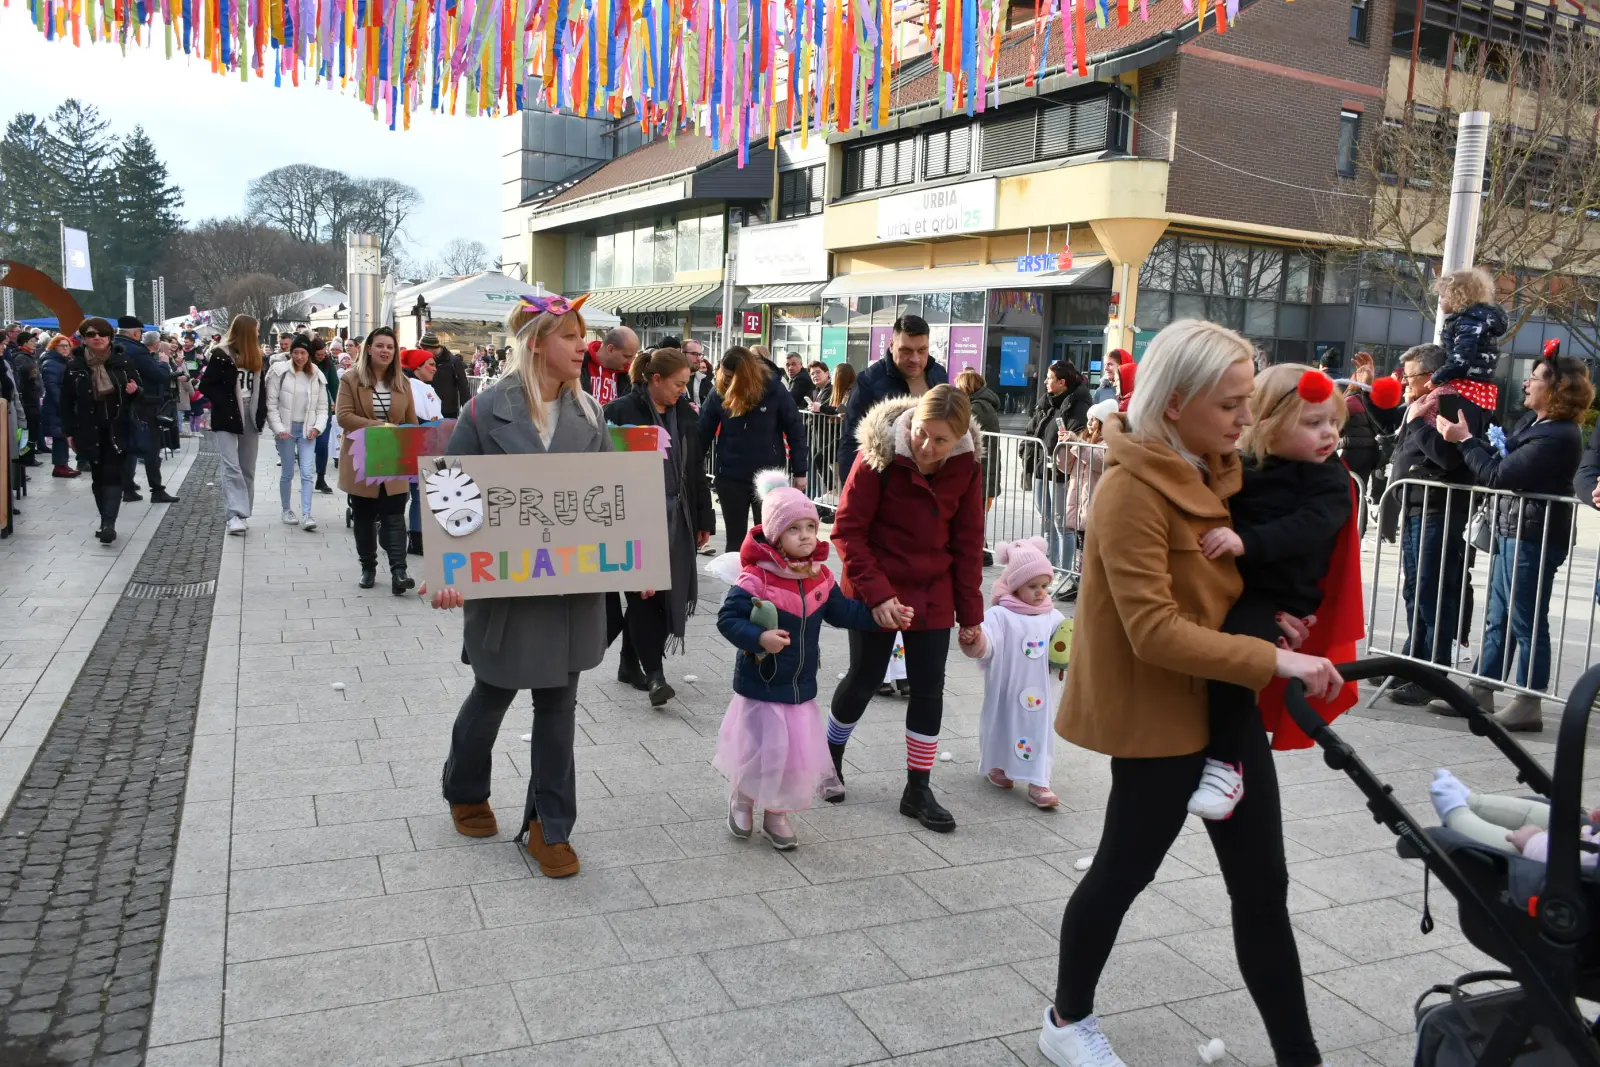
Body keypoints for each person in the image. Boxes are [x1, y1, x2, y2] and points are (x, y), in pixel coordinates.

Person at [1041, 319, 1343, 1067]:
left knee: (1263, 888)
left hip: (1226, 709)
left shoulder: (1223, 470)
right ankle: (1066, 1017)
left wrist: (1274, 617)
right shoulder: (1130, 489)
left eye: (1249, 402)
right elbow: (1155, 631)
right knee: (1123, 870)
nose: (1247, 420)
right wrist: (1274, 659)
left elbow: (1237, 578)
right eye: (1231, 404)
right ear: (1174, 404)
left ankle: (1299, 1056)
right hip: (1161, 713)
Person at [430, 293, 613, 879]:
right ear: (537, 342)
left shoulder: (590, 413)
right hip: (506, 589)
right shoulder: (486, 411)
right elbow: (450, 493)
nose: (582, 346)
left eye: (582, 335)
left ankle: (549, 826)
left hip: (571, 591)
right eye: (569, 336)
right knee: (493, 693)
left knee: (559, 707)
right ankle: (464, 789)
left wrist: (635, 569)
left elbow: (609, 500)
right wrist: (449, 569)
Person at [1187, 365, 1357, 821]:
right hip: (1239, 586)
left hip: (1275, 596)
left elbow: (1309, 527)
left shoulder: (1328, 478)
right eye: (1313, 423)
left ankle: (1226, 763)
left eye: (1333, 422)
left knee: (1235, 664)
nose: (1328, 434)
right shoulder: (1245, 466)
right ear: (1267, 425)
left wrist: (1247, 542)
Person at [827, 385, 986, 830]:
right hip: (875, 582)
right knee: (865, 677)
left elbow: (970, 543)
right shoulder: (877, 456)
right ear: (910, 422)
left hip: (933, 591)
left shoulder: (967, 466)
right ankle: (829, 759)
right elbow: (847, 532)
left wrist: (972, 617)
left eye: (941, 441)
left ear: (959, 440)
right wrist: (877, 596)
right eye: (921, 434)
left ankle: (917, 788)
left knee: (928, 688)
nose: (927, 447)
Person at [714, 473, 878, 848]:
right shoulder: (757, 577)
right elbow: (728, 619)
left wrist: (879, 615)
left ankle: (777, 812)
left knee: (789, 758)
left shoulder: (818, 575)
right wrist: (759, 638)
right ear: (774, 535)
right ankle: (743, 798)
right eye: (794, 529)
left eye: (810, 526)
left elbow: (842, 612)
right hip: (762, 685)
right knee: (759, 751)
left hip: (799, 690)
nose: (806, 535)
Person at [1438, 353, 1592, 732]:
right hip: (1515, 531)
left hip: (1535, 537)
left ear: (1558, 389)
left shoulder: (1558, 434)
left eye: (1536, 377)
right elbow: (1501, 458)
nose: (1526, 383)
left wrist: (1464, 443)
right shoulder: (1536, 422)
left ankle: (1529, 698)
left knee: (1525, 618)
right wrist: (1472, 439)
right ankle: (1481, 689)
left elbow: (1497, 474)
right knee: (1499, 615)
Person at [604, 348, 717, 704]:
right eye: (678, 384)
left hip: (677, 516)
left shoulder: (685, 413)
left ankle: (628, 663)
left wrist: (704, 518)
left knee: (664, 594)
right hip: (633, 517)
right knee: (643, 594)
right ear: (655, 379)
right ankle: (655, 674)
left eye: (686, 384)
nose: (683, 391)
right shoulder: (620, 411)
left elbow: (695, 471)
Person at [1385, 342, 1489, 705]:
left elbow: (1446, 457)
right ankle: (1413, 659)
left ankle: (1433, 670)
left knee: (1433, 589)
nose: (1404, 383)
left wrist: (1416, 422)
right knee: (1415, 588)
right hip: (1417, 506)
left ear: (1430, 375)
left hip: (1440, 508)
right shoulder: (1424, 402)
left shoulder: (1449, 401)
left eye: (1409, 376)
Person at [958, 536, 1065, 809]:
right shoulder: (1000, 615)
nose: (1040, 592)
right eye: (1032, 586)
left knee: (1039, 730)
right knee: (1004, 724)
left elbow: (1064, 647)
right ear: (1016, 585)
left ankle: (1039, 781)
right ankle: (999, 765)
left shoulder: (1053, 616)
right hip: (1008, 686)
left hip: (1041, 691)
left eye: (1044, 586)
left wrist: (1069, 657)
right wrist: (975, 640)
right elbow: (988, 646)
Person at [699, 347, 810, 552]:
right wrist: (694, 469)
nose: (726, 379)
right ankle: (737, 583)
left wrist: (800, 471)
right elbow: (702, 432)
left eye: (731, 376)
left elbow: (795, 429)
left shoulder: (774, 388)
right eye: (724, 375)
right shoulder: (720, 390)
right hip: (731, 475)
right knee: (735, 542)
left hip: (769, 477)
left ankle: (767, 583)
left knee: (770, 537)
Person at [337, 327, 418, 594]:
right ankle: (368, 567)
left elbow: (410, 423)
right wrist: (381, 427)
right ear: (369, 348)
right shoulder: (350, 379)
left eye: (390, 347)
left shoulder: (402, 382)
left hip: (393, 454)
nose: (385, 351)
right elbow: (344, 417)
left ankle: (399, 572)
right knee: (365, 515)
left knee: (395, 514)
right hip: (362, 455)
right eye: (380, 345)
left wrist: (413, 449)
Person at [59, 318, 142, 543]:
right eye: (91, 334)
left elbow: (139, 390)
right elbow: (65, 401)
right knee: (98, 476)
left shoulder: (123, 361)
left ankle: (108, 524)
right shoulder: (75, 366)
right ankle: (105, 519)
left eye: (102, 334)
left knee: (113, 475)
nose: (97, 337)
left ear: (109, 337)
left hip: (118, 426)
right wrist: (68, 431)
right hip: (88, 428)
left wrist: (135, 391)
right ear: (84, 338)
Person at [837, 315, 948, 479]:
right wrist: (852, 490)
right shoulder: (868, 381)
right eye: (906, 351)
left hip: (933, 479)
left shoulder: (938, 374)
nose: (915, 359)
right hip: (887, 481)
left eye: (922, 350)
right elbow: (851, 440)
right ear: (891, 345)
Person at [1428, 769, 1600, 867]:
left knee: (1510, 847)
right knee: (1550, 815)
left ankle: (1454, 812)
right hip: (1589, 841)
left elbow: (1580, 866)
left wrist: (1533, 842)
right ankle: (1472, 801)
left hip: (1572, 873)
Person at [199, 315, 270, 536]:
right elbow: (206, 385)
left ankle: (244, 512)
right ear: (247, 331)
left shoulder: (257, 356)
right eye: (256, 330)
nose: (258, 333)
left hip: (250, 413)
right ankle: (234, 514)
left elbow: (262, 389)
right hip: (227, 415)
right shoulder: (221, 356)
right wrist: (225, 402)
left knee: (247, 466)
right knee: (231, 466)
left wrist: (261, 414)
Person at [1026, 361, 1090, 572]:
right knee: (1045, 521)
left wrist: (1069, 439)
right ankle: (1048, 570)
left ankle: (1065, 573)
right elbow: (1033, 429)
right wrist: (1026, 455)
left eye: (1049, 378)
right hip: (1041, 467)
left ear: (1062, 382)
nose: (1045, 381)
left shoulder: (1079, 404)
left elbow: (1077, 436)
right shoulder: (1046, 401)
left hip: (1061, 472)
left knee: (1062, 524)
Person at [264, 334, 328, 532]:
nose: (299, 357)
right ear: (290, 353)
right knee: (288, 472)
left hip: (307, 429)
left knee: (307, 472)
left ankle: (307, 513)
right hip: (287, 429)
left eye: (303, 353)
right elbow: (271, 404)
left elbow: (322, 406)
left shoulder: (316, 374)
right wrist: (279, 428)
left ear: (309, 355)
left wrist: (318, 427)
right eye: (296, 353)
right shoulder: (279, 372)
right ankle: (286, 509)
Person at [112, 317, 177, 504]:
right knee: (151, 448)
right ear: (135, 333)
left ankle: (128, 488)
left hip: (119, 405)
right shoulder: (138, 351)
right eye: (139, 332)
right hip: (144, 404)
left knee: (127, 448)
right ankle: (157, 490)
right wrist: (164, 363)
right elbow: (159, 376)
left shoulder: (114, 348)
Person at [1432, 268, 1507, 395]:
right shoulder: (1477, 320)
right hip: (1479, 384)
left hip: (1467, 383)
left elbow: (1461, 359)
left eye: (1443, 296)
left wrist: (1437, 378)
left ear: (1457, 296)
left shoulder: (1468, 322)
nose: (1439, 301)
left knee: (1432, 402)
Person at [400, 348, 445, 556]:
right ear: (418, 366)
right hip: (418, 440)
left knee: (421, 492)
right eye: (431, 364)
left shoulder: (425, 387)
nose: (435, 369)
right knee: (415, 492)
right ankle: (413, 538)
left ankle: (417, 538)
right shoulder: (411, 386)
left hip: (428, 440)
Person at [40, 335, 78, 478]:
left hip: (62, 405)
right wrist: (63, 405)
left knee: (62, 436)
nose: (65, 348)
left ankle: (63, 464)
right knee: (60, 436)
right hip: (56, 406)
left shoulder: (63, 362)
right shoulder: (51, 363)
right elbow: (52, 387)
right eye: (61, 346)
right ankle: (60, 466)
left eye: (67, 345)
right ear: (53, 347)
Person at [8, 331, 43, 468]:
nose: (35, 343)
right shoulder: (21, 358)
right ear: (24, 343)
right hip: (27, 401)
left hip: (33, 399)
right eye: (32, 341)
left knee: (32, 430)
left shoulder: (30, 357)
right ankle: (25, 457)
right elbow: (21, 381)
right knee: (26, 432)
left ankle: (29, 456)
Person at [418, 332, 473, 419]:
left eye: (424, 349)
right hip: (428, 408)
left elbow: (463, 388)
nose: (422, 351)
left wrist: (468, 412)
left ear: (432, 347)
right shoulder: (423, 360)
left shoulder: (453, 361)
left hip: (448, 410)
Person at [310, 338, 340, 493]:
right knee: (307, 444)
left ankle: (320, 478)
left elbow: (335, 385)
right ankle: (306, 476)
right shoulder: (305, 363)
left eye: (323, 354)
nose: (322, 357)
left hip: (323, 408)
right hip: (307, 409)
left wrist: (340, 405)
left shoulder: (328, 364)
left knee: (322, 443)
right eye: (318, 354)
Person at [581, 326, 639, 404]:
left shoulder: (630, 377)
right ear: (610, 349)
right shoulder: (579, 364)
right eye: (627, 356)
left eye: (633, 357)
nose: (630, 362)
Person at [685, 340, 714, 408]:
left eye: (700, 354)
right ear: (682, 353)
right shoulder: (672, 379)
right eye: (694, 354)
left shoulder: (705, 381)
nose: (698, 358)